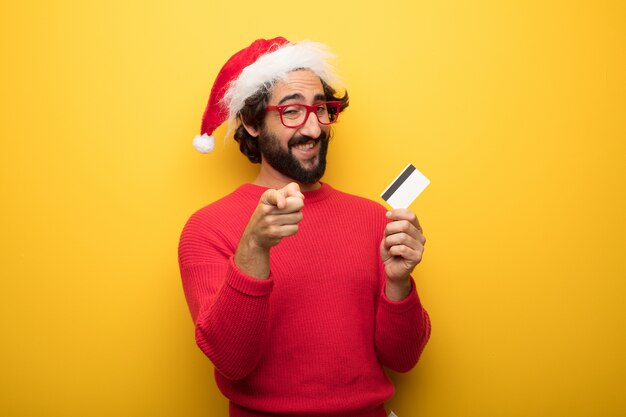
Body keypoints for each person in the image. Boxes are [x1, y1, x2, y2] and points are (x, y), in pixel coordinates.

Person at [178, 37, 431, 417]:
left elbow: (403, 358)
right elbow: (232, 361)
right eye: (292, 111)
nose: (314, 129)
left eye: (322, 110)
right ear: (251, 121)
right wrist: (254, 249)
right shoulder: (207, 228)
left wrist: (399, 283)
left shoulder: (372, 219)